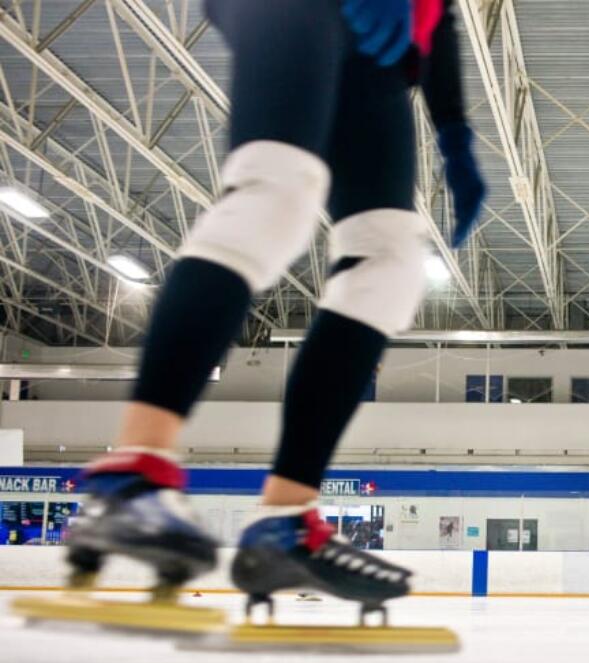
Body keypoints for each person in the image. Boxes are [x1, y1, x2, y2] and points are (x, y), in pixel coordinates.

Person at [63, 0, 485, 622]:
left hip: (383, 55)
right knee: (275, 194)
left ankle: (284, 522)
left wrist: (453, 129)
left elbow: (442, 13)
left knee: (390, 267)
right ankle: (131, 475)